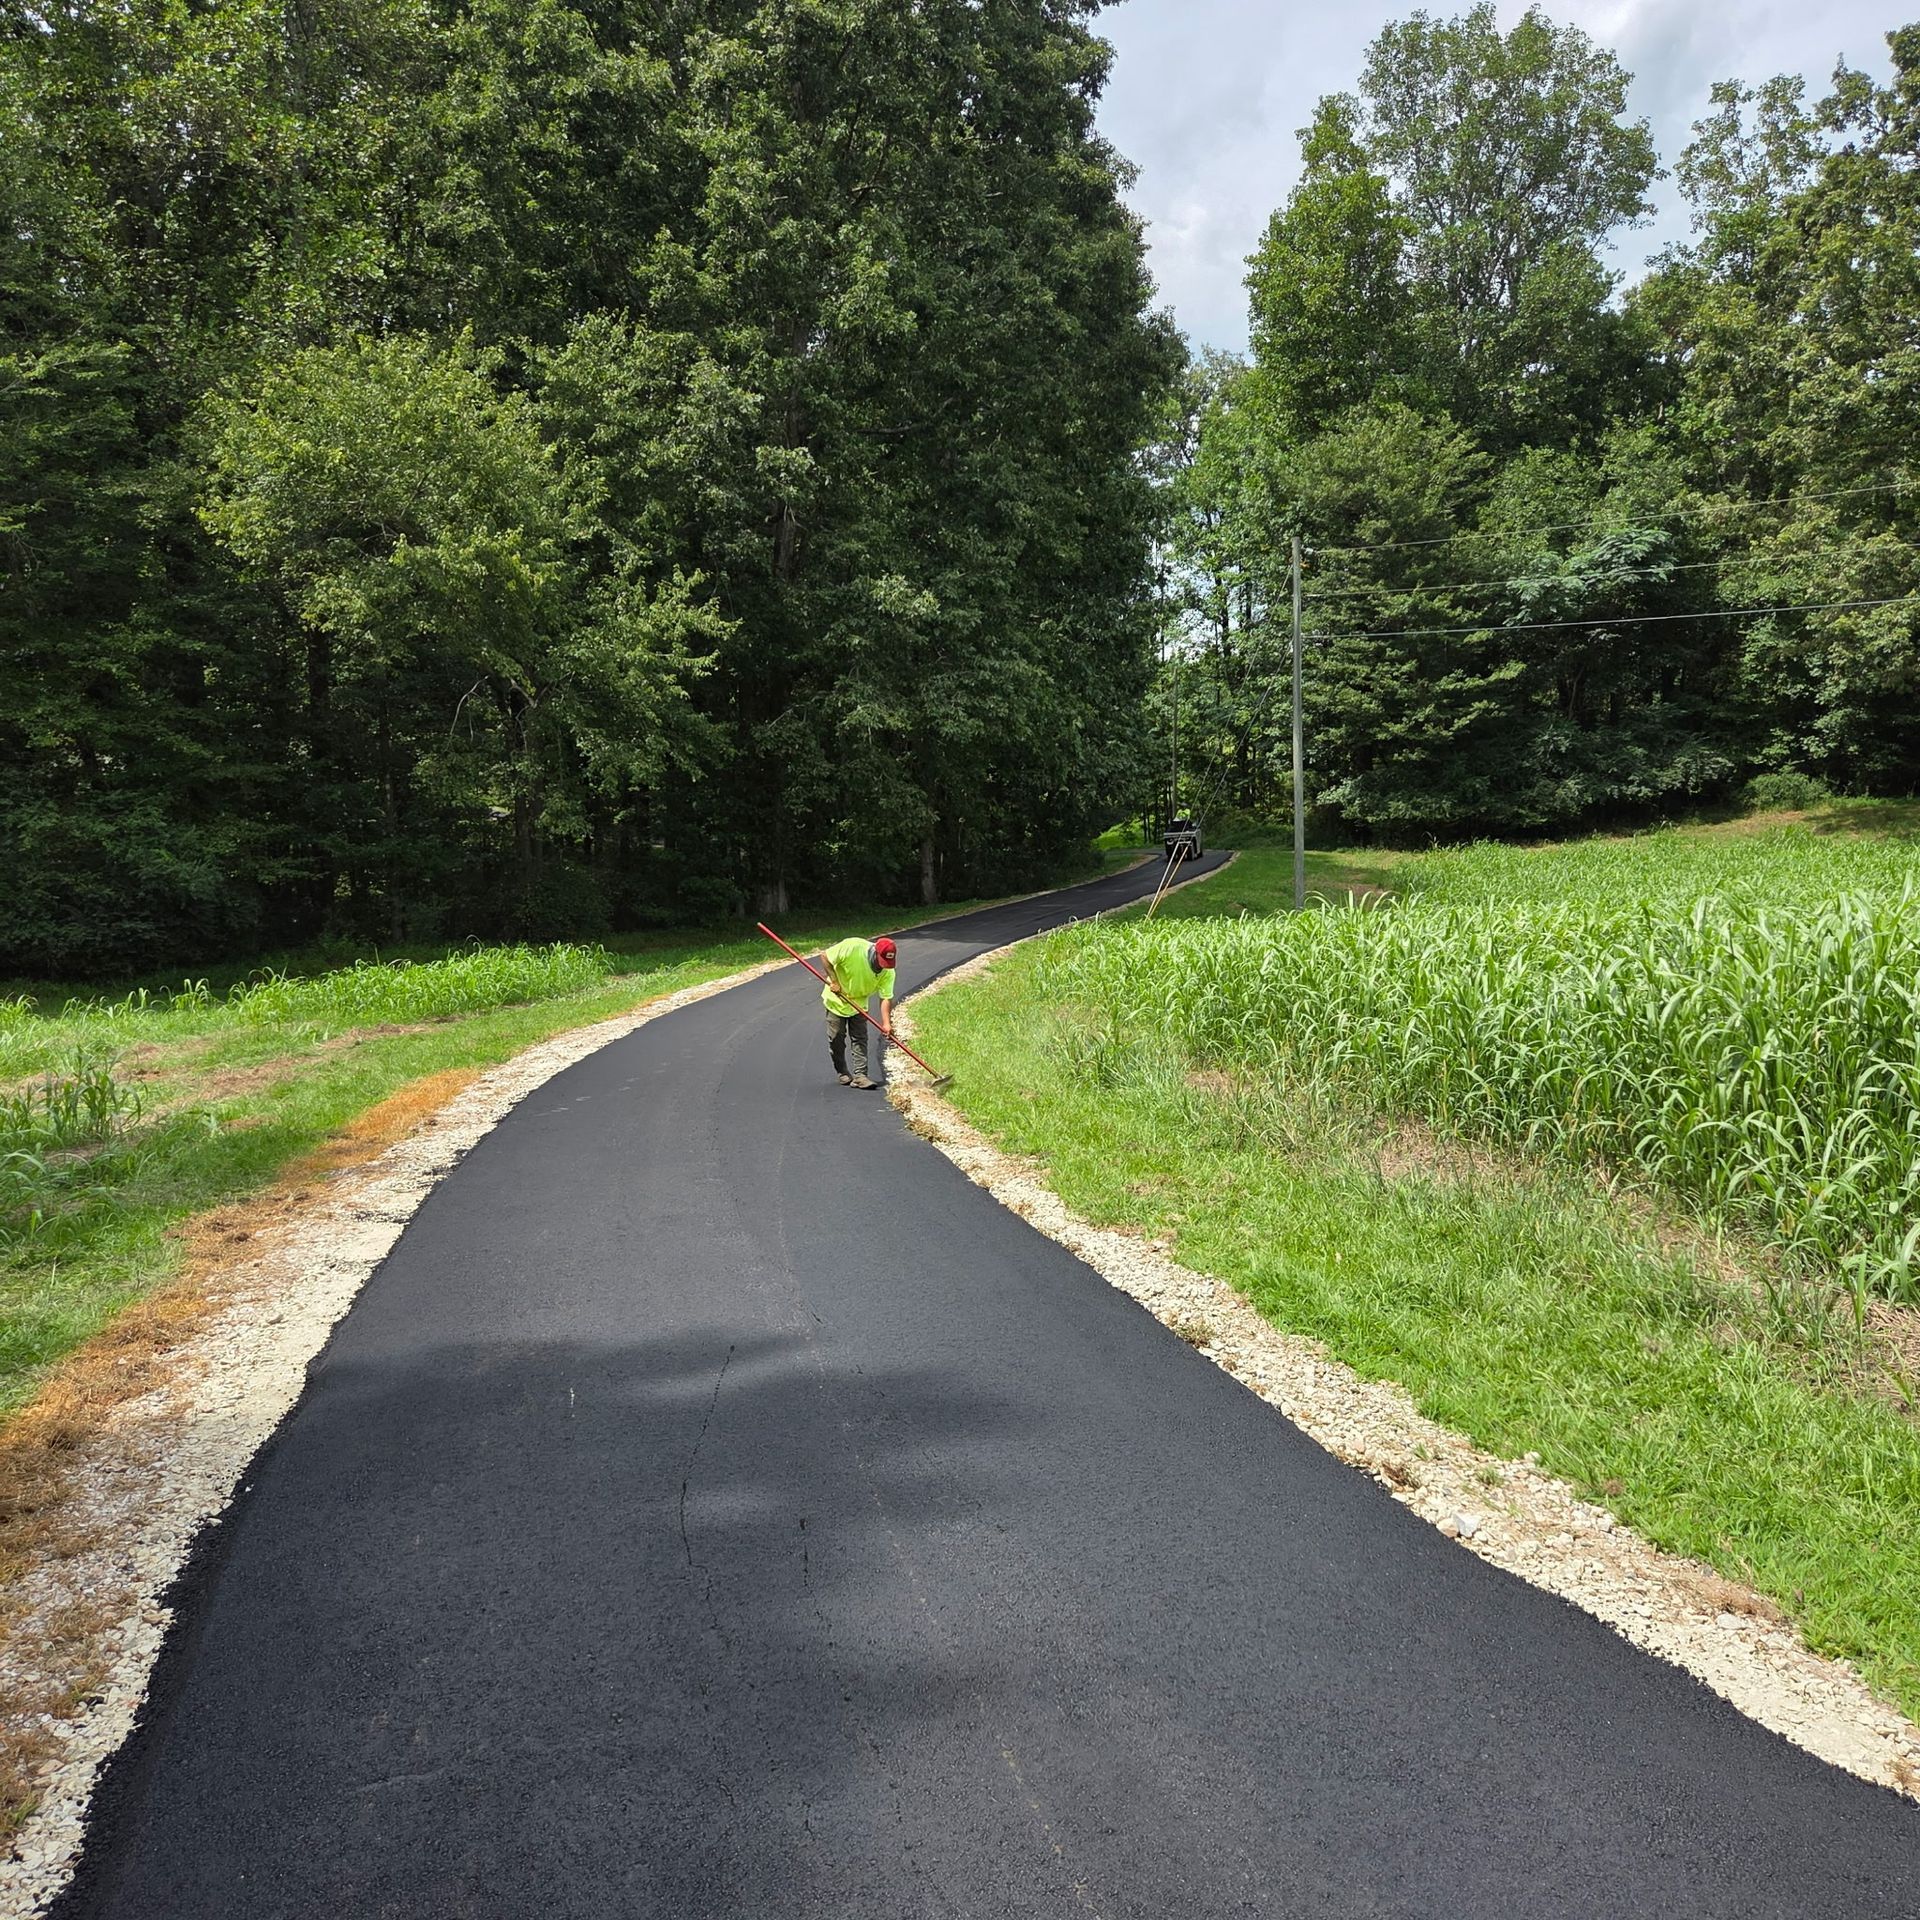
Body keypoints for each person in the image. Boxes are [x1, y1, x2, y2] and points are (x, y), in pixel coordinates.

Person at [816, 934, 897, 1089]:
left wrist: (887, 1023)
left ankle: (860, 1076)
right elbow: (825, 956)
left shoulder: (888, 971)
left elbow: (886, 997)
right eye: (881, 963)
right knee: (836, 1039)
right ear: (875, 953)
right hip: (836, 1001)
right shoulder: (852, 946)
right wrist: (834, 980)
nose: (883, 968)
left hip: (859, 1004)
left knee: (860, 1038)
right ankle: (842, 1072)